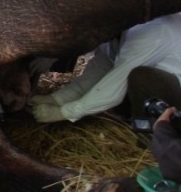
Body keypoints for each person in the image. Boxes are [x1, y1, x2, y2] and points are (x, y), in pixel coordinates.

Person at [30, 13, 181, 124]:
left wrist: (63, 112)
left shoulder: (151, 34)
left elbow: (115, 86)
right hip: (162, 85)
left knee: (140, 77)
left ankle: (148, 134)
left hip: (176, 92)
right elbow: (103, 67)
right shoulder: (123, 25)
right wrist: (56, 99)